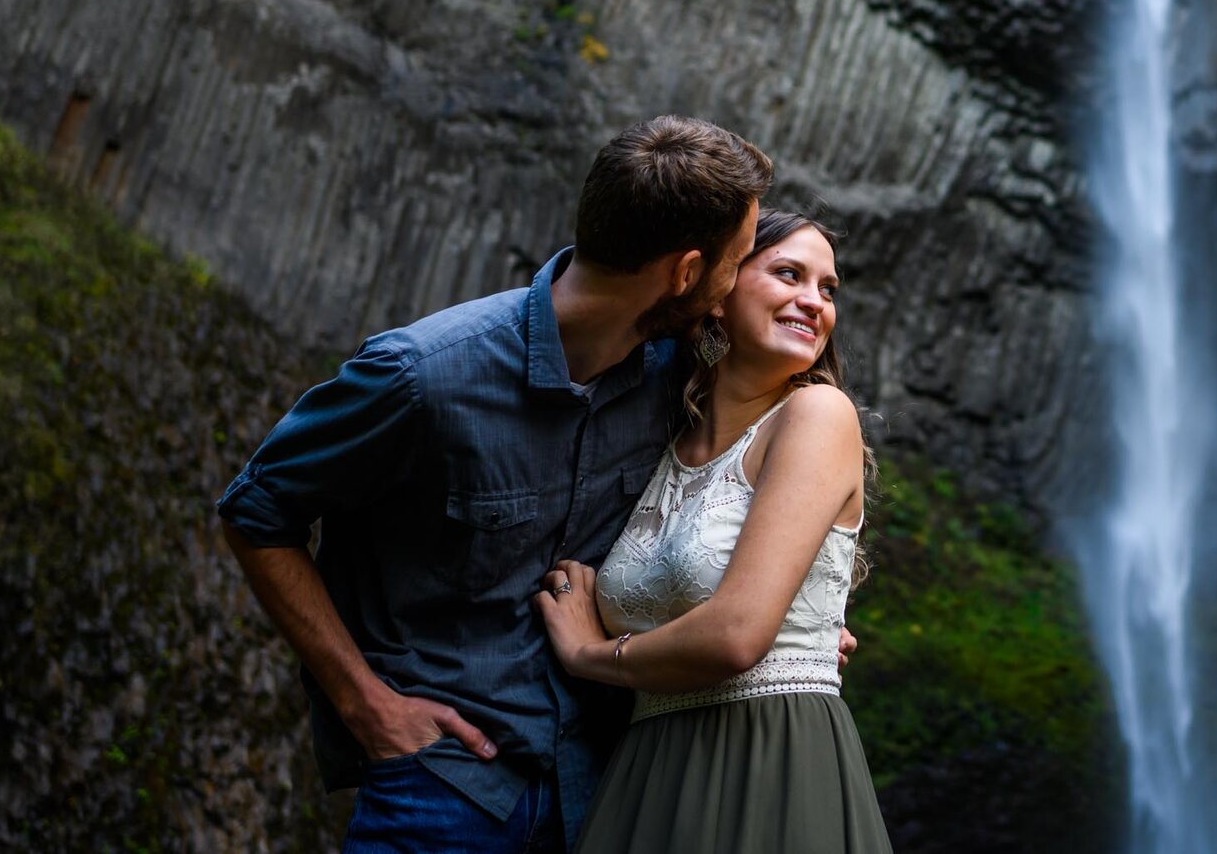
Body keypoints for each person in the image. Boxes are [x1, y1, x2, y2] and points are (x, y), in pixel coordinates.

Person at [216, 115, 815, 853]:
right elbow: (255, 510)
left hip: (601, 792)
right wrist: (363, 701)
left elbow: (736, 496)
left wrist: (798, 628)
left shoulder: (678, 380)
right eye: (736, 262)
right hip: (445, 789)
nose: (733, 285)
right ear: (685, 272)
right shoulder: (421, 376)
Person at [533, 209, 894, 854]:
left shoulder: (817, 414)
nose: (814, 301)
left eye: (828, 288)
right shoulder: (659, 440)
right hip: (646, 766)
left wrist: (589, 654)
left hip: (770, 752)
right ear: (720, 293)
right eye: (789, 274)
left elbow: (735, 637)